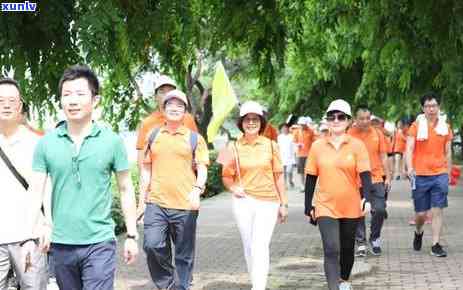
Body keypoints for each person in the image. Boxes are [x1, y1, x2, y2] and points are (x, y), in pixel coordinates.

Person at [31, 65, 139, 290]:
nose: (72, 101)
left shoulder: (112, 141)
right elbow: (35, 190)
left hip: (99, 242)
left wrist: (131, 234)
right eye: (67, 94)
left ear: (95, 100)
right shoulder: (46, 144)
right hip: (60, 244)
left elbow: (126, 188)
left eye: (80, 94)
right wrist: (35, 229)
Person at [140, 89, 209, 290]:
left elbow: (202, 168)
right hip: (156, 203)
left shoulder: (195, 139)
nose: (175, 108)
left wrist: (197, 189)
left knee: (184, 254)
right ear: (164, 109)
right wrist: (142, 201)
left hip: (185, 204)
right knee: (152, 245)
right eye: (171, 105)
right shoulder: (153, 135)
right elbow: (146, 168)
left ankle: (183, 286)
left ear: (185, 111)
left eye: (180, 106)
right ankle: (167, 285)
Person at [304, 99, 373, 290]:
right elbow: (310, 177)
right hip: (325, 204)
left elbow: (366, 175)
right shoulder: (317, 146)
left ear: (349, 121)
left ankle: (344, 280)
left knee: (347, 248)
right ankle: (333, 287)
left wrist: (367, 198)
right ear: (326, 120)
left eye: (340, 116)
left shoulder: (357, 145)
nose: (336, 120)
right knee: (331, 248)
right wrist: (308, 205)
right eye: (331, 117)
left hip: (351, 205)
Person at [220, 100, 288, 290]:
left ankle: (258, 287)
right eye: (247, 119)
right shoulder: (230, 147)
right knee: (249, 246)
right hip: (243, 202)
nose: (251, 123)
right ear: (241, 122)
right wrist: (233, 188)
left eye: (255, 119)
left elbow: (279, 176)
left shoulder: (272, 145)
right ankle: (256, 282)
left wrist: (284, 204)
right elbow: (225, 177)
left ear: (261, 122)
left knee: (260, 245)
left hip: (268, 202)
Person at [0, 78, 47, 289]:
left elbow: (47, 188)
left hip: (29, 239)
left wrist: (47, 225)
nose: (6, 105)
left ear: (20, 106)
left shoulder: (37, 144)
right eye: (0, 100)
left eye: (12, 100)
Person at [136, 75, 198, 217]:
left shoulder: (187, 119)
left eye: (170, 91)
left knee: (182, 239)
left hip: (184, 193)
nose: (166, 95)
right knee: (155, 238)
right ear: (155, 96)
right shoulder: (147, 123)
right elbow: (142, 161)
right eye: (162, 91)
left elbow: (197, 153)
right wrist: (144, 194)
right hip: (156, 196)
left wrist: (198, 185)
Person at [406, 92, 452, 257]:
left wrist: (448, 173)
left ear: (438, 107)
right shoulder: (416, 126)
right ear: (422, 108)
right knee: (421, 214)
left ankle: (436, 244)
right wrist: (410, 168)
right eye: (427, 106)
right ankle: (418, 232)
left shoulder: (445, 127)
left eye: (434, 106)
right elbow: (409, 148)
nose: (431, 109)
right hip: (420, 174)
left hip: (439, 174)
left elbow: (448, 152)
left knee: (437, 209)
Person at [348, 106, 390, 256]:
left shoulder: (377, 134)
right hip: (355, 179)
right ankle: (360, 243)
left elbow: (384, 156)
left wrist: (388, 176)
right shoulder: (349, 135)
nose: (365, 121)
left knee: (379, 209)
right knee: (358, 211)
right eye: (361, 118)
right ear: (355, 119)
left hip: (376, 177)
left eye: (367, 118)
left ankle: (375, 238)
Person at [295, 117, 314, 192]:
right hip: (300, 155)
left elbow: (314, 141)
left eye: (303, 124)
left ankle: (308, 185)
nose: (302, 126)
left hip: (309, 154)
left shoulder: (311, 131)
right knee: (301, 171)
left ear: (306, 124)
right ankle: (302, 185)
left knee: (308, 171)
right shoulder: (297, 132)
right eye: (301, 124)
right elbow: (294, 142)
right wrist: (297, 144)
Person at [277, 123, 296, 188]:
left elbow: (294, 146)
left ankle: (290, 181)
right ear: (281, 129)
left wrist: (295, 154)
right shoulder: (279, 137)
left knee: (289, 171)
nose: (284, 129)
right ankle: (285, 184)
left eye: (286, 128)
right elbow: (277, 147)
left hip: (290, 157)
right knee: (283, 172)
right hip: (282, 156)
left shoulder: (291, 136)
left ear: (288, 129)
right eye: (283, 128)